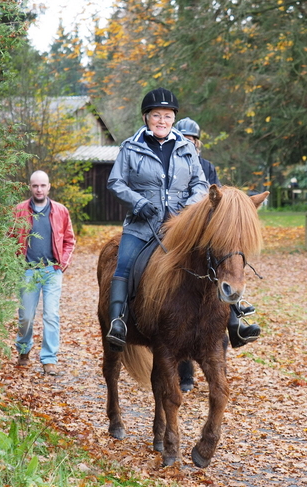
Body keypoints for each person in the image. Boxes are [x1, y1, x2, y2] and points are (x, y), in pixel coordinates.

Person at [105, 88, 209, 351]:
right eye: (156, 115)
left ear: (173, 119)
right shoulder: (131, 147)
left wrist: (188, 208)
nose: (162, 121)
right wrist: (138, 203)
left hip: (180, 226)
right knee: (124, 265)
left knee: (215, 258)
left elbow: (200, 183)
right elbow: (115, 182)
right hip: (142, 226)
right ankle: (118, 322)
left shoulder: (186, 148)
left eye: (167, 116)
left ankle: (235, 318)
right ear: (146, 117)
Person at [173, 117, 262, 391]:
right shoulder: (172, 164)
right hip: (179, 227)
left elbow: (220, 200)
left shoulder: (207, 167)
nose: (190, 143)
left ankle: (235, 318)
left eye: (193, 140)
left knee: (226, 265)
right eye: (185, 139)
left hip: (207, 232)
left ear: (198, 143)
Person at [12, 170, 75, 375]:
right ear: (30, 187)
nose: (39, 189)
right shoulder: (19, 210)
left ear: (49, 187)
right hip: (28, 272)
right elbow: (10, 238)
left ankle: (49, 359)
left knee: (51, 315)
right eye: (35, 185)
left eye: (42, 185)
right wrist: (15, 263)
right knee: (26, 317)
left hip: (51, 271)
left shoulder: (60, 211)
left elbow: (69, 240)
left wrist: (62, 264)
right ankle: (23, 350)